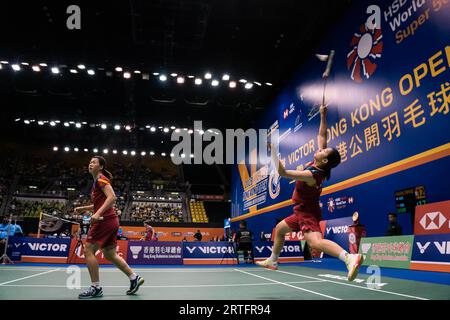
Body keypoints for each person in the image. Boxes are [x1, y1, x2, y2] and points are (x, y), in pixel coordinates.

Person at [256, 105, 364, 281]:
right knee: (280, 229)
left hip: (307, 212)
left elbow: (283, 173)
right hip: (300, 211)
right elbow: (322, 135)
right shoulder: (318, 165)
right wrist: (322, 115)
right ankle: (273, 260)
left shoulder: (311, 175)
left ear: (325, 160)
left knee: (315, 243)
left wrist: (273, 152)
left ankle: (350, 258)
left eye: (322, 151)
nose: (319, 149)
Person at [73, 156, 144, 299]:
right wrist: (84, 208)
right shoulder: (96, 182)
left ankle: (96, 287)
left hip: (104, 220)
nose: (90, 164)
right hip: (111, 220)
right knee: (110, 254)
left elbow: (112, 198)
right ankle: (133, 277)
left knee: (88, 250)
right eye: (90, 162)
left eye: (94, 162)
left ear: (101, 167)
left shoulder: (101, 179)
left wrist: (97, 214)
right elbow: (101, 202)